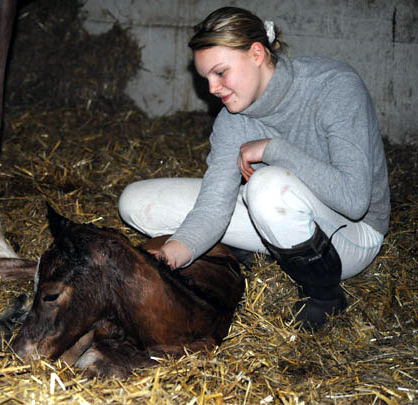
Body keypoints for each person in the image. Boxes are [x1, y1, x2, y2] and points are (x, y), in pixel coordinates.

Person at [118, 6, 390, 330]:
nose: (212, 89)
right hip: (280, 211)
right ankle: (259, 251)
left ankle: (323, 296)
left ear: (257, 53)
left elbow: (354, 199)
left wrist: (272, 150)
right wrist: (172, 254)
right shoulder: (232, 119)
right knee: (136, 203)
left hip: (350, 235)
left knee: (266, 186)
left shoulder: (333, 86)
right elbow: (213, 206)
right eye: (205, 78)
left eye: (220, 73)